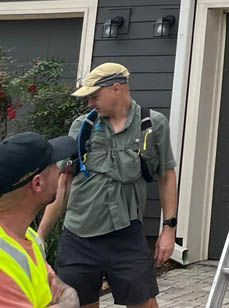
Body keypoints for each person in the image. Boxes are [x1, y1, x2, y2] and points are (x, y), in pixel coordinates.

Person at [38, 64, 176, 308]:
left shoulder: (153, 125)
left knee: (145, 304)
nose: (90, 103)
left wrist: (169, 229)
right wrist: (40, 236)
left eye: (94, 96)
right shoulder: (82, 127)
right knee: (77, 303)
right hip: (79, 236)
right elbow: (63, 183)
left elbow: (166, 176)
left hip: (126, 234)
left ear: (117, 88)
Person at [0, 132, 79, 307]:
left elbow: (56, 285)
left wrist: (68, 297)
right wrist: (69, 301)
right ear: (38, 183)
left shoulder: (28, 236)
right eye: (53, 165)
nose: (59, 170)